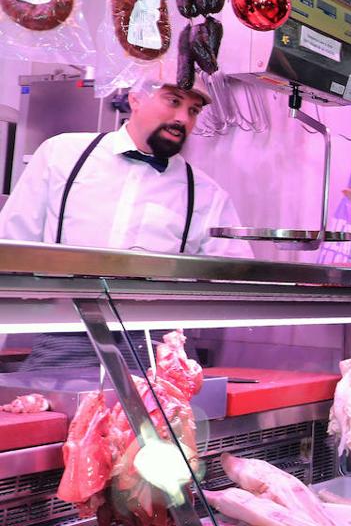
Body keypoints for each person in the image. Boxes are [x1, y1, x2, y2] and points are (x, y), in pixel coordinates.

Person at [0, 80, 251, 370]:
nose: (183, 118)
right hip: (64, 332)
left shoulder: (207, 194)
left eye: (193, 110)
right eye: (173, 101)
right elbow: (11, 248)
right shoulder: (61, 154)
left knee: (161, 416)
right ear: (135, 99)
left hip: (156, 347)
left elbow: (237, 278)